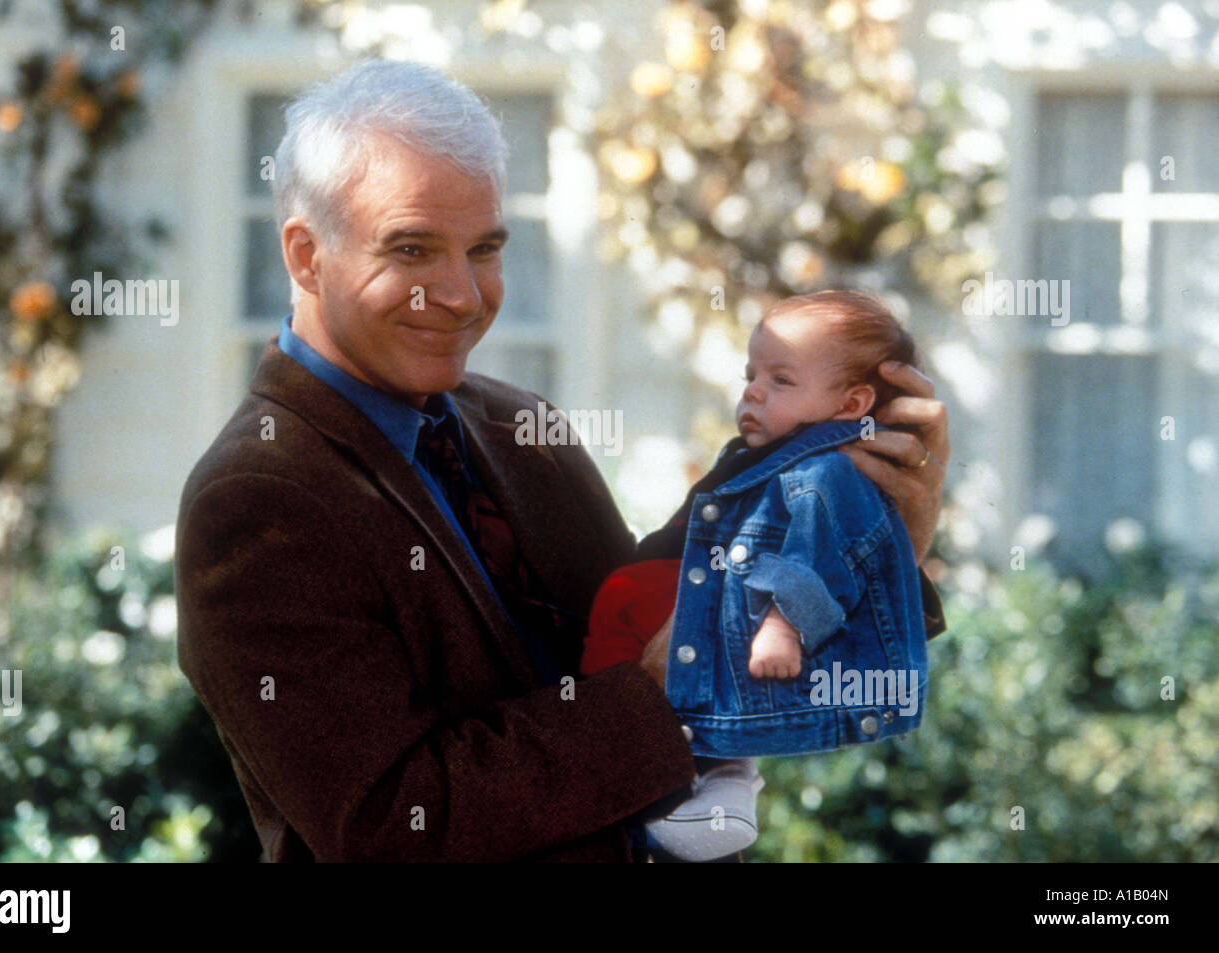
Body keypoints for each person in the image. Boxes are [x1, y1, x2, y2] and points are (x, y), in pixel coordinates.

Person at [174, 58, 951, 862]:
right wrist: (656, 698)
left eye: (483, 248)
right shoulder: (256, 496)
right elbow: (393, 820)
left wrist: (874, 521)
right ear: (305, 255)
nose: (463, 294)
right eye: (411, 251)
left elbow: (655, 602)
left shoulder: (516, 422)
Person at [583, 290, 939, 861]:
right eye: (752, 374)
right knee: (636, 637)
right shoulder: (774, 456)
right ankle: (702, 775)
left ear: (851, 404)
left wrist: (783, 625)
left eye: (781, 380)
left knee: (641, 632)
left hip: (742, 613)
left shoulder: (826, 472)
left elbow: (815, 556)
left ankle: (697, 774)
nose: (752, 390)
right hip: (704, 596)